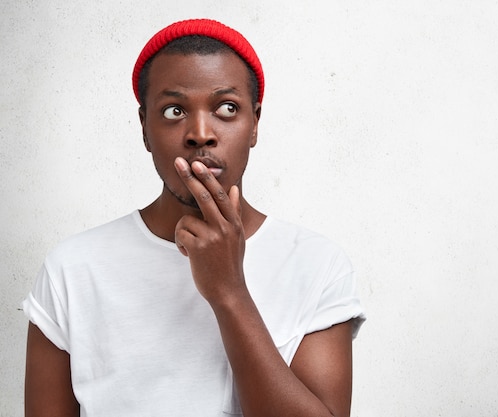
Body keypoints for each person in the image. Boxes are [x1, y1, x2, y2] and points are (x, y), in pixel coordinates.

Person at [22, 18, 365, 417]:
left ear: (254, 123)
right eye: (173, 110)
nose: (200, 133)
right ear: (144, 129)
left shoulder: (317, 265)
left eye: (226, 108)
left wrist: (229, 292)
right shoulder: (73, 269)